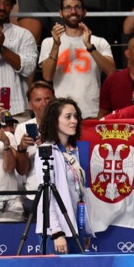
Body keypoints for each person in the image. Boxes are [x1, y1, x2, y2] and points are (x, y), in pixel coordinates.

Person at [38, 0, 115, 118]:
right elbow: (47, 76)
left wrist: (90, 47)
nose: (73, 11)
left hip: (92, 111)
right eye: (68, 7)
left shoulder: (99, 42)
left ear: (84, 12)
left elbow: (111, 71)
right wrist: (56, 45)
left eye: (77, 7)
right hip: (61, 112)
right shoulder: (49, 42)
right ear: (60, 13)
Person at [36, 97, 93, 254]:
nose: (74, 121)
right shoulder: (47, 150)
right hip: (57, 231)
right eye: (68, 117)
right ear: (55, 121)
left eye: (75, 116)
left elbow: (78, 192)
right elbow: (46, 196)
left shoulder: (74, 151)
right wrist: (56, 232)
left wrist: (84, 228)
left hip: (75, 228)